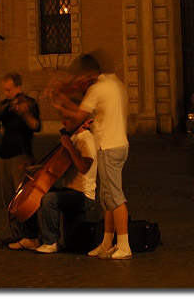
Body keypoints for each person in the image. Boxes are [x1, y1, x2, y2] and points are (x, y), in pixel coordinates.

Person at [50, 53, 132, 260]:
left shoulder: (96, 89)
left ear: (90, 73)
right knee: (107, 198)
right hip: (119, 144)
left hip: (108, 146)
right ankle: (106, 243)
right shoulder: (114, 82)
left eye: (81, 76)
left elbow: (78, 117)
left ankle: (124, 245)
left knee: (115, 197)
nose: (80, 81)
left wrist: (59, 103)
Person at [11, 114, 97, 254]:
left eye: (68, 119)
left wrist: (70, 148)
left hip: (83, 195)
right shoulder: (72, 137)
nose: (63, 122)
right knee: (31, 192)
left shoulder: (87, 139)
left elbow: (84, 167)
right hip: (68, 189)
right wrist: (35, 166)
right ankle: (31, 237)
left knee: (49, 199)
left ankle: (50, 242)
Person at [0, 72, 41, 250]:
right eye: (5, 89)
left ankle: (31, 235)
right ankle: (18, 234)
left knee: (23, 198)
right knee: (9, 198)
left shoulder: (29, 103)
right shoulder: (6, 105)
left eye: (9, 89)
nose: (6, 92)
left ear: (18, 87)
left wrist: (24, 113)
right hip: (4, 155)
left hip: (20, 156)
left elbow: (36, 126)